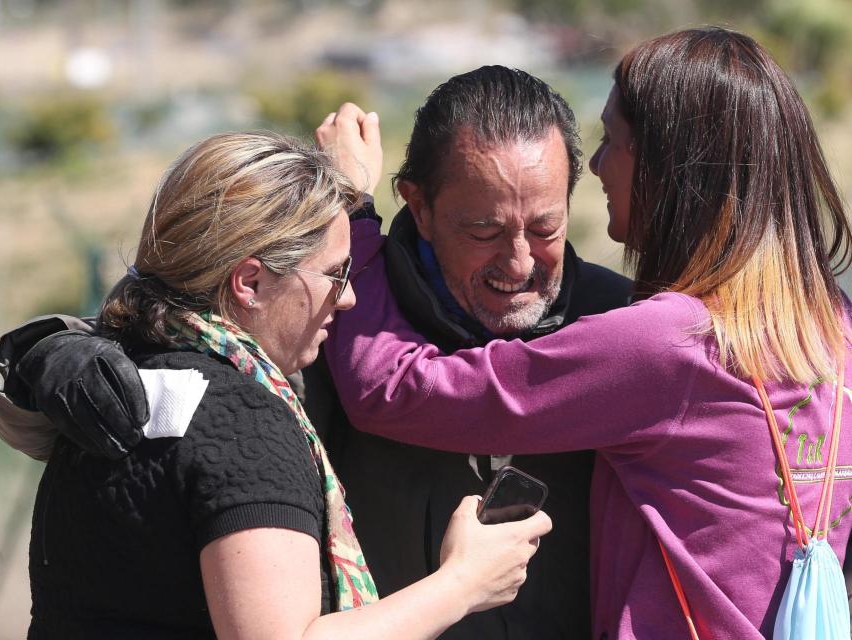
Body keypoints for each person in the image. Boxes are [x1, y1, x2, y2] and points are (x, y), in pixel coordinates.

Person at [0, 66, 631, 639]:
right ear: (419, 204)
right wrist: (50, 348)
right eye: (483, 231)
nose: (519, 260)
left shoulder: (626, 332)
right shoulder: (320, 335)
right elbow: (184, 320)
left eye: (546, 227)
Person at [318, 28, 852, 638]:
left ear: (670, 172)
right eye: (484, 231)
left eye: (613, 141)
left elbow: (394, 390)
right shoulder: (831, 327)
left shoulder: (666, 344)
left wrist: (354, 215)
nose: (595, 166)